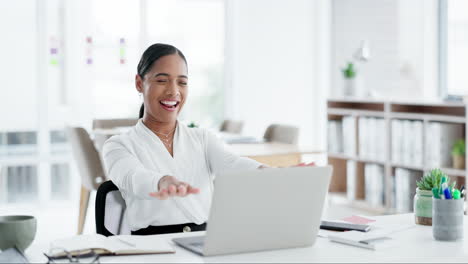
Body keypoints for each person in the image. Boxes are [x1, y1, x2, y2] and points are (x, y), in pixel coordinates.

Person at [102, 43, 266, 235]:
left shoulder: (203, 138)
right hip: (151, 248)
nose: (174, 92)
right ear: (139, 83)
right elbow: (133, 177)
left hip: (203, 243)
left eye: (182, 82)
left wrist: (270, 173)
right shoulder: (118, 145)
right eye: (162, 80)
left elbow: (232, 164)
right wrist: (161, 182)